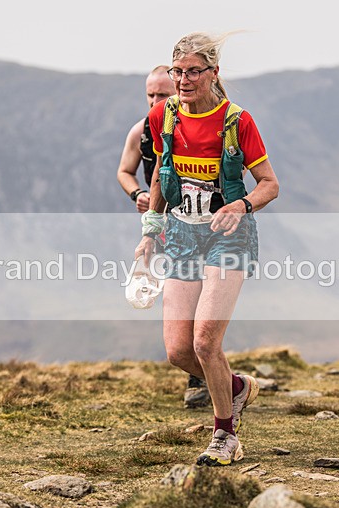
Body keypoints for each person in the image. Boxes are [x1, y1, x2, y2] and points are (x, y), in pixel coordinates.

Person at [135, 32, 279, 466]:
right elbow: (160, 175)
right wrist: (149, 230)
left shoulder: (237, 120)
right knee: (178, 350)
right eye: (177, 71)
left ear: (213, 73)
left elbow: (270, 184)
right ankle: (234, 387)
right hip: (180, 233)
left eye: (193, 71)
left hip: (228, 236)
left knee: (204, 341)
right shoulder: (164, 116)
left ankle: (224, 434)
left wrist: (242, 203)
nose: (182, 79)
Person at [117, 65, 211, 409]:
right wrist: (136, 195)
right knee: (179, 304)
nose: (156, 101)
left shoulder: (195, 128)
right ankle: (206, 374)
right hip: (162, 226)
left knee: (202, 300)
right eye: (151, 95)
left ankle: (203, 377)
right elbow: (125, 171)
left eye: (163, 95)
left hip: (200, 227)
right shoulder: (141, 131)